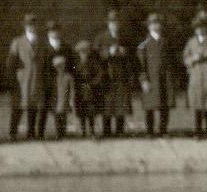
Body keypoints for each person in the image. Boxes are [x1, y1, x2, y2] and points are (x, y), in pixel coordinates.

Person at [93, 10, 132, 138]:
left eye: (116, 22)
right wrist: (108, 52)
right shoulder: (101, 37)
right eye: (112, 22)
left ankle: (120, 130)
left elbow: (132, 54)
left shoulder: (125, 37)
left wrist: (123, 51)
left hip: (121, 74)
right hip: (106, 75)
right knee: (107, 103)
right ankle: (106, 130)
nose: (114, 25)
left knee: (121, 103)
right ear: (108, 24)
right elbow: (95, 54)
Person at [6, 13, 42, 140]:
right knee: (18, 106)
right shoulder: (17, 41)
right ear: (25, 26)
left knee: (33, 106)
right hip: (21, 80)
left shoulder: (40, 41)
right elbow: (10, 63)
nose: (31, 27)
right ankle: (12, 133)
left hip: (36, 79)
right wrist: (12, 80)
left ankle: (31, 133)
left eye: (33, 24)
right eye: (29, 24)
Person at [137, 13, 173, 136]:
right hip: (151, 79)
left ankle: (163, 130)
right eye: (152, 24)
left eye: (157, 24)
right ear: (148, 26)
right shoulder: (144, 44)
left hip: (165, 78)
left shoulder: (166, 41)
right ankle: (149, 131)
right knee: (150, 106)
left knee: (165, 105)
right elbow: (140, 65)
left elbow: (171, 61)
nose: (155, 26)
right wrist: (143, 80)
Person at [71, 39, 99, 139]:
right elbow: (73, 76)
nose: (83, 53)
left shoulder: (93, 62)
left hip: (90, 90)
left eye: (85, 51)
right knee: (81, 111)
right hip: (79, 91)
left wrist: (92, 84)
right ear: (78, 52)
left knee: (91, 112)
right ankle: (83, 131)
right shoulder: (75, 63)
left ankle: (92, 131)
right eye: (81, 51)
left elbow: (99, 75)